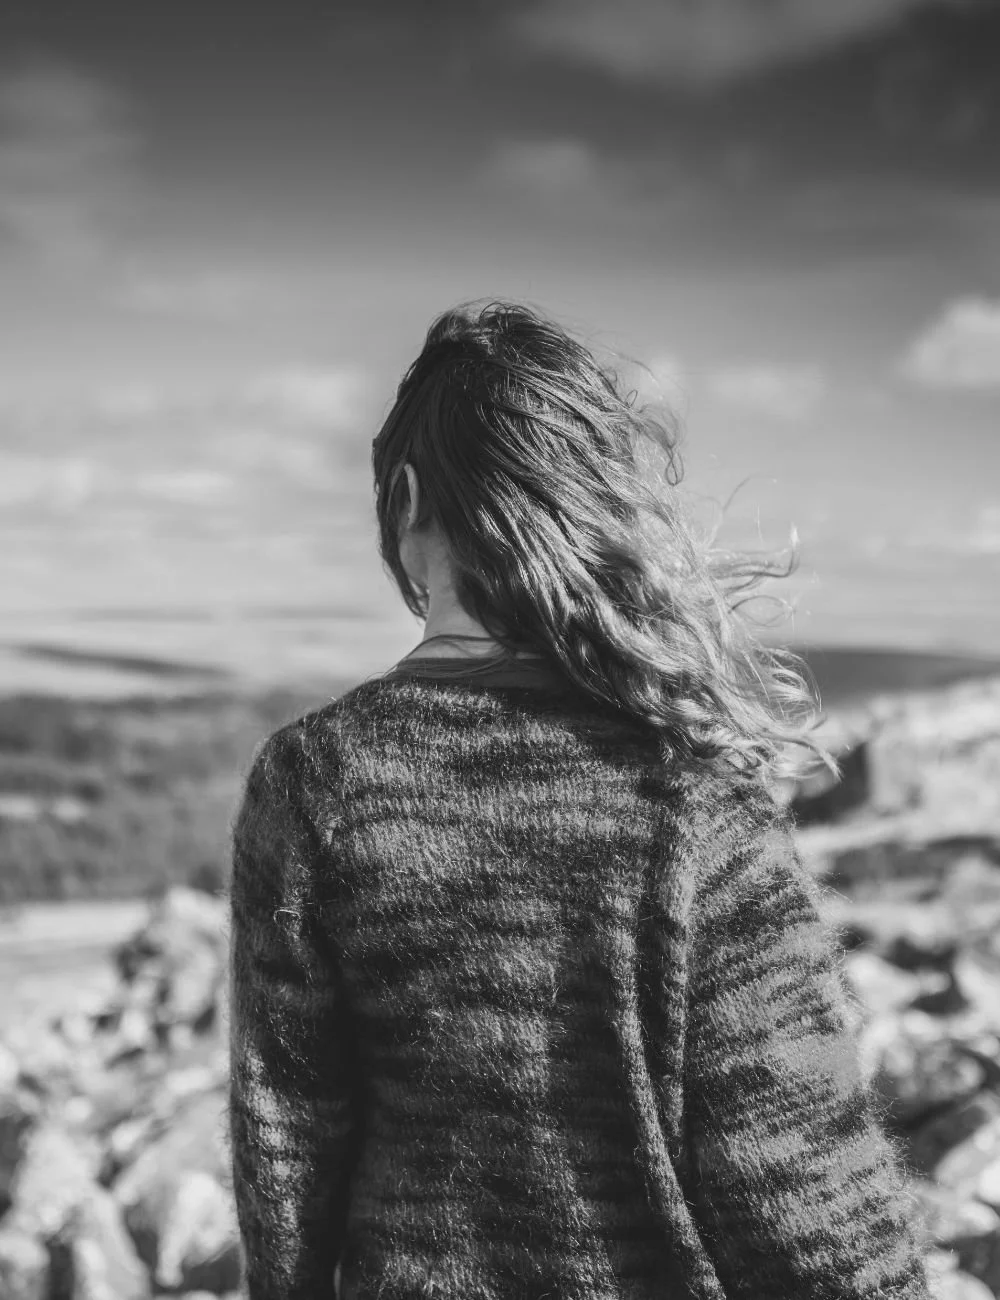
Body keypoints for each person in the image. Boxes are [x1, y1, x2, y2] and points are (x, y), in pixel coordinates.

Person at [227, 301, 932, 1299]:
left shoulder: (311, 779)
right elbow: (802, 1187)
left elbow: (287, 1140)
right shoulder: (695, 807)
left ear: (404, 500)